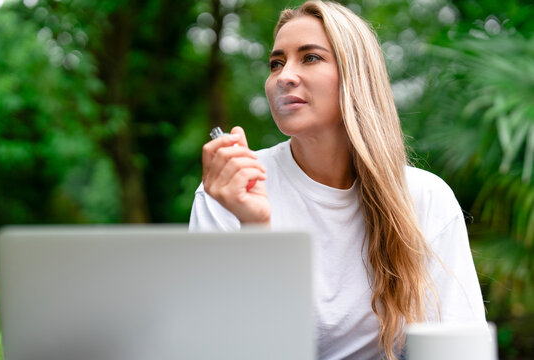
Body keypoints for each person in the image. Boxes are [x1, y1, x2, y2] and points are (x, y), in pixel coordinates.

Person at [189, 1, 486, 359]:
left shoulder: (425, 197)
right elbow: (216, 346)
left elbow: (458, 348)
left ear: (355, 75)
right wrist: (255, 226)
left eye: (310, 57)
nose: (284, 76)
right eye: (276, 63)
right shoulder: (230, 191)